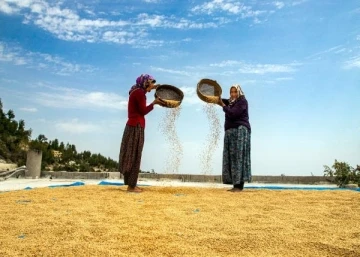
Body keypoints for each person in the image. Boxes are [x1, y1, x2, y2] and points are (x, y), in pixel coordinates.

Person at [119, 74, 165, 193]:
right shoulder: (140, 94)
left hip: (131, 125)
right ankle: (131, 186)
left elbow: (144, 92)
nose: (151, 88)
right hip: (136, 127)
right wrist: (154, 103)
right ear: (145, 83)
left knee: (130, 154)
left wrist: (154, 87)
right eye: (150, 84)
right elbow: (143, 111)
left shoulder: (136, 90)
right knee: (135, 156)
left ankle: (131, 184)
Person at [217, 84, 251, 192]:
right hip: (230, 132)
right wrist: (213, 98)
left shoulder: (242, 102)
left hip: (240, 131)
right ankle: (235, 184)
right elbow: (218, 100)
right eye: (231, 92)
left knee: (239, 157)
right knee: (231, 158)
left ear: (239, 92)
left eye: (235, 92)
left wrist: (223, 105)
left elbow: (233, 113)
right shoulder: (230, 102)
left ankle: (239, 186)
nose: (233, 94)